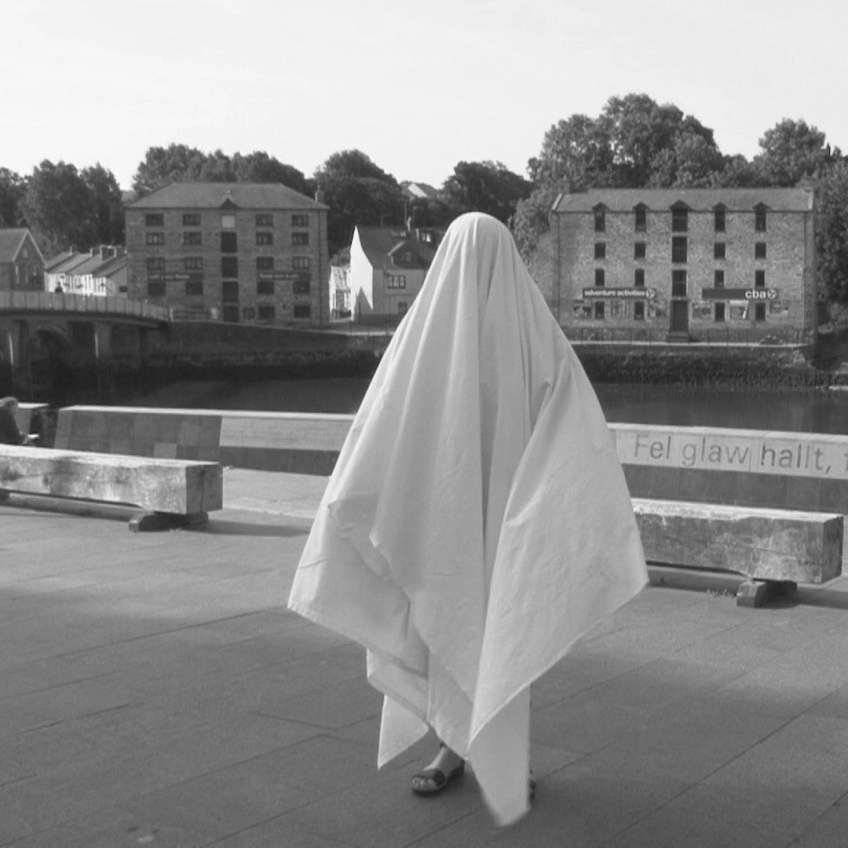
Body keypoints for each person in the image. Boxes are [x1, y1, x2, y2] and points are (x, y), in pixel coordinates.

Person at [287, 212, 647, 825]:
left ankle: (503, 756)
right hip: (444, 516)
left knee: (501, 628)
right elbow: (388, 419)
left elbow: (565, 419)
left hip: (507, 519)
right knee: (456, 621)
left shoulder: (527, 336)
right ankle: (454, 747)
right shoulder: (430, 337)